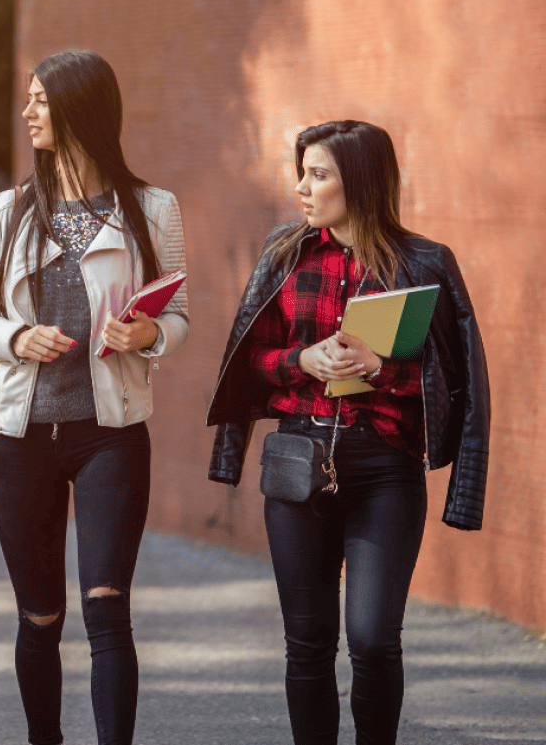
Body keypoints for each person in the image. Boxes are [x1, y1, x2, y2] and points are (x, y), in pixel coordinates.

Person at [206, 120, 490, 745]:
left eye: (319, 174)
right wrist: (301, 360)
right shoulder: (285, 253)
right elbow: (245, 361)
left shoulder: (424, 262)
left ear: (358, 181)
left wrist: (379, 369)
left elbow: (456, 379)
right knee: (306, 644)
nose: (302, 187)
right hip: (297, 463)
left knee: (372, 640)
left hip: (385, 470)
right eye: (301, 172)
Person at [0, 50, 189, 745]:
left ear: (80, 109)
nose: (27, 112)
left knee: (107, 607)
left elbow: (177, 318)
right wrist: (17, 336)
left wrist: (148, 331)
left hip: (109, 433)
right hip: (18, 436)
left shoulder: (152, 208)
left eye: (40, 100)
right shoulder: (3, 211)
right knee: (39, 616)